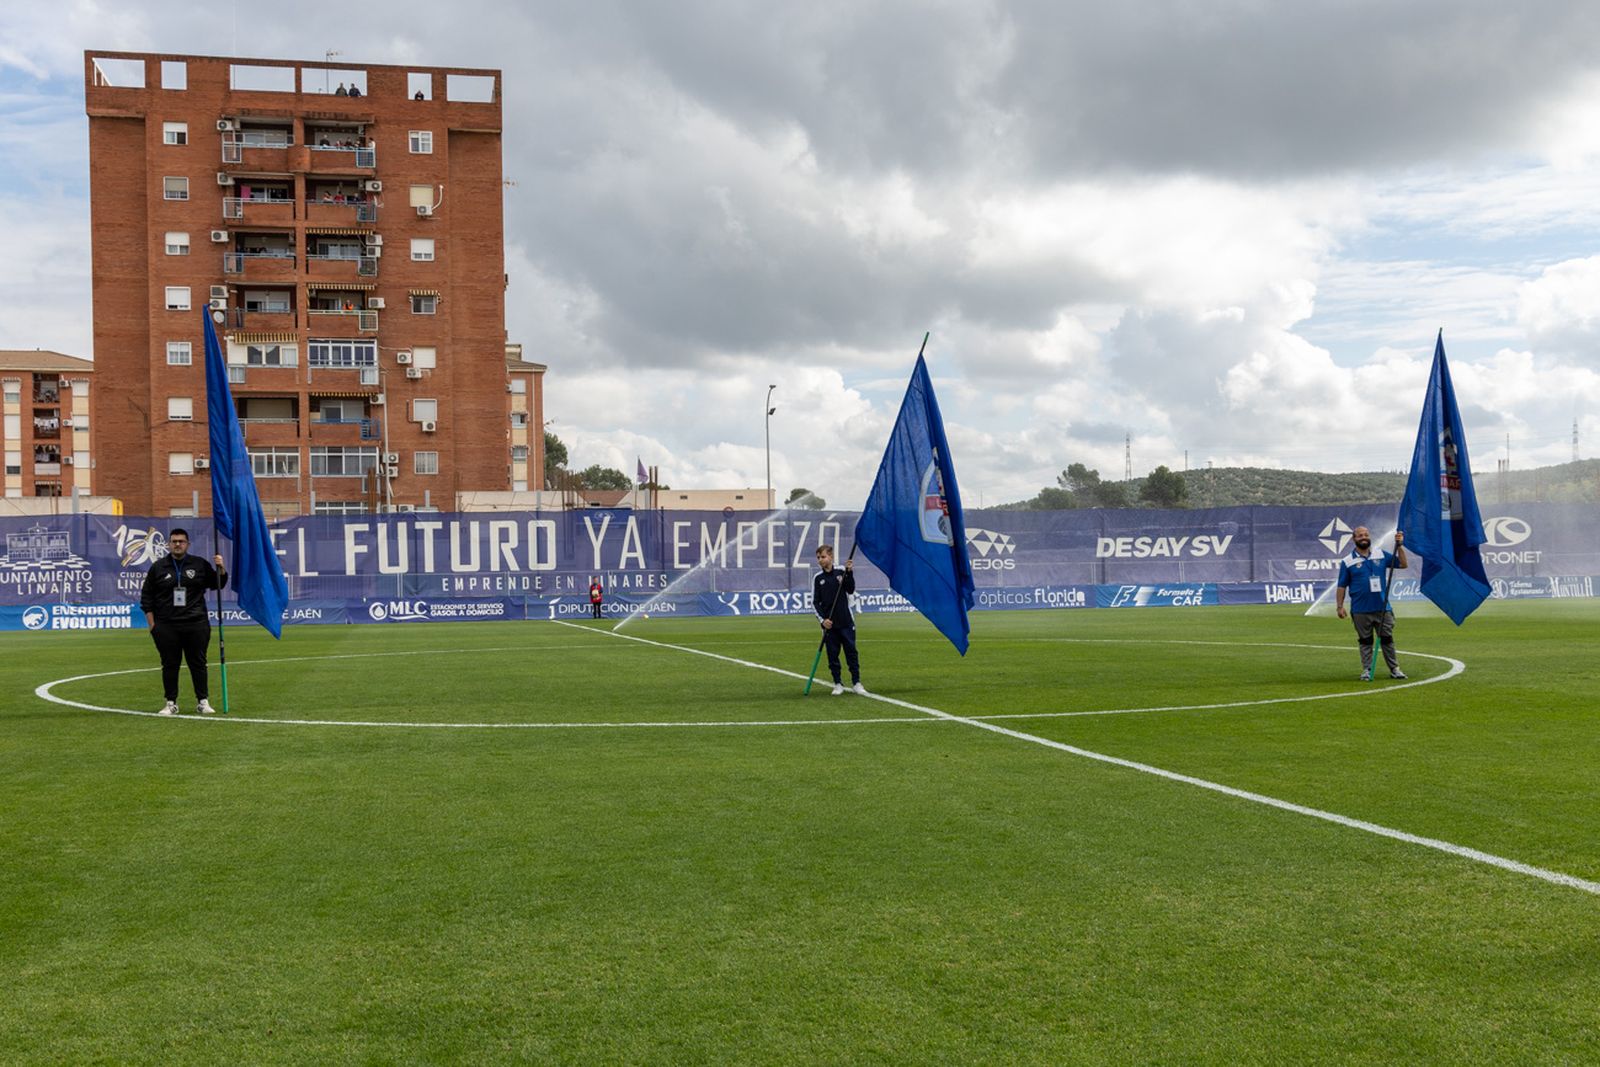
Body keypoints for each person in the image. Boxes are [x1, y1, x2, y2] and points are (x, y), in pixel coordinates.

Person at [139, 528, 228, 715]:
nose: (177, 544)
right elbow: (147, 597)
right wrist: (152, 625)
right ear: (168, 544)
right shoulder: (158, 567)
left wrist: (221, 567)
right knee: (170, 665)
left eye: (181, 541)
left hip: (196, 623)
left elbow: (218, 584)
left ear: (187, 544)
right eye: (174, 541)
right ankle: (171, 703)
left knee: (198, 663)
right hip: (166, 625)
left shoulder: (199, 564)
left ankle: (203, 701)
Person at [1335, 526, 1408, 681]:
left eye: (1366, 535)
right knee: (1365, 641)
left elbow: (1402, 564)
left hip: (1382, 607)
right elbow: (1341, 585)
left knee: (1387, 639)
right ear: (1354, 539)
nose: (1364, 537)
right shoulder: (1347, 561)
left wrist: (1400, 546)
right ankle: (1367, 670)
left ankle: (1395, 669)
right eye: (1360, 535)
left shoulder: (1380, 554)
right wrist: (1340, 606)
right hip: (1360, 609)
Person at [813, 544, 864, 696]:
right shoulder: (818, 578)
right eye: (818, 558)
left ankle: (856, 682)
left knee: (851, 653)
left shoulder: (842, 571)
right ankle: (837, 683)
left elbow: (850, 589)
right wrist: (823, 621)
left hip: (846, 622)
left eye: (823, 557)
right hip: (830, 626)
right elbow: (815, 602)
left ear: (831, 557)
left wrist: (849, 572)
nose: (820, 560)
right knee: (833, 655)